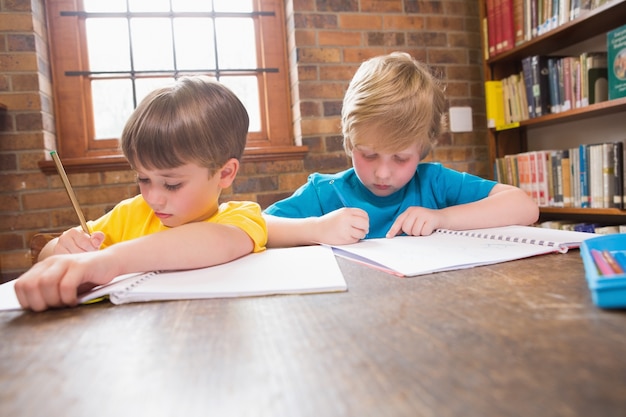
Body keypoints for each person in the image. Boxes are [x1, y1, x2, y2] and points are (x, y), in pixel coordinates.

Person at [15, 76, 267, 311]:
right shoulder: (131, 214)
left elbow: (211, 242)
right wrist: (62, 250)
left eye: (171, 184)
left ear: (224, 173)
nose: (153, 197)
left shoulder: (240, 218)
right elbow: (46, 254)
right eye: (143, 178)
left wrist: (110, 261)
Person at [264, 52, 539, 247]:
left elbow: (524, 207)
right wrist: (315, 229)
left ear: (422, 150)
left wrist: (442, 217)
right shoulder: (325, 193)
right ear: (349, 141)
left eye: (401, 158)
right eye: (369, 154)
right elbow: (259, 227)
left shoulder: (434, 183)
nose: (383, 173)